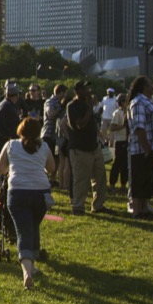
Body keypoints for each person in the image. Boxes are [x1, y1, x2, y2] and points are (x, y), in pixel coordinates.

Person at [0, 116, 55, 289]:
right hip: (41, 194)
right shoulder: (44, 146)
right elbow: (51, 168)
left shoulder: (11, 145)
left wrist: (12, 169)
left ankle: (27, 272)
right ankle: (33, 262)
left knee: (23, 231)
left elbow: (1, 168)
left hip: (18, 192)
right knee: (33, 225)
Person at [126, 77, 153, 217]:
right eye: (150, 84)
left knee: (148, 180)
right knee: (139, 180)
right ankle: (137, 210)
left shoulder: (148, 102)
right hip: (142, 150)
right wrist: (147, 148)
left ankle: (144, 208)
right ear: (144, 87)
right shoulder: (138, 103)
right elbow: (139, 127)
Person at [63, 82, 105, 213]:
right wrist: (89, 108)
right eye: (85, 88)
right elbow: (80, 124)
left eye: (88, 88)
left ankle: (98, 205)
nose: (88, 91)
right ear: (77, 91)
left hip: (94, 147)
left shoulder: (87, 105)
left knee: (100, 178)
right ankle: (78, 206)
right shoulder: (72, 106)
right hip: (80, 149)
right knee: (81, 179)